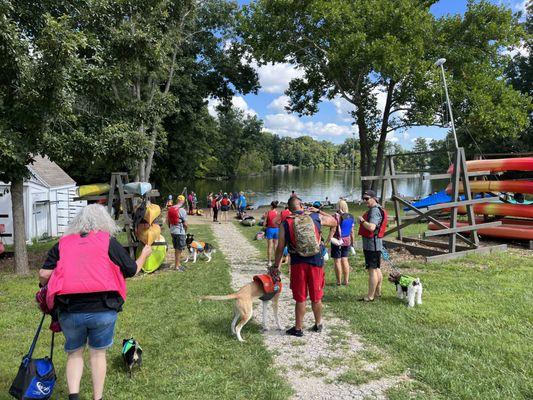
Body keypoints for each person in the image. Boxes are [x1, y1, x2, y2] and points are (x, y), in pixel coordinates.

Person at [38, 204, 152, 400]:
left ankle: (74, 396)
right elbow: (131, 270)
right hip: (103, 307)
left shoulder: (63, 243)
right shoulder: (108, 241)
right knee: (98, 355)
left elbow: (43, 275)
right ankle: (97, 398)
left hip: (70, 309)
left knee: (74, 353)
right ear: (104, 221)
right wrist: (143, 255)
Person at [274, 196, 337, 337]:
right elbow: (334, 221)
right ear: (301, 205)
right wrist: (319, 211)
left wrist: (275, 265)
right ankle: (318, 323)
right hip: (316, 261)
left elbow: (280, 247)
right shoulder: (315, 217)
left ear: (289, 209)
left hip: (298, 262)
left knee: (300, 297)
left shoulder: (286, 223)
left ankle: (298, 328)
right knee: (316, 295)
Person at [357, 190, 384, 302]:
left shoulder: (374, 211)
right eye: (364, 198)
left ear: (374, 198)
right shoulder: (377, 209)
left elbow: (372, 227)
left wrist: (362, 221)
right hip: (375, 244)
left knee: (372, 270)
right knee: (377, 268)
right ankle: (377, 292)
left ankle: (370, 296)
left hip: (372, 245)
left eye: (367, 198)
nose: (365, 201)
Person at [329, 199, 355, 286]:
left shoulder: (336, 216)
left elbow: (333, 229)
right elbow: (352, 231)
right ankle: (346, 280)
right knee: (345, 260)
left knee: (337, 261)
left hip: (337, 240)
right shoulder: (351, 216)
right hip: (347, 239)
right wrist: (352, 242)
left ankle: (338, 281)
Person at [168, 195, 188, 271]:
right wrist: (185, 231)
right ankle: (176, 267)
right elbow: (185, 224)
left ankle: (178, 264)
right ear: (182, 201)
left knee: (176, 248)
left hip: (173, 231)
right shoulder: (182, 210)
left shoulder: (171, 208)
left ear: (177, 200)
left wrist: (171, 229)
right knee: (179, 249)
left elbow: (167, 221)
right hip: (180, 232)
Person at [263, 201, 280, 266]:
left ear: (271, 206)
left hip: (270, 230)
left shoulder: (268, 213)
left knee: (270, 246)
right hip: (277, 230)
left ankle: (269, 262)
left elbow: (264, 224)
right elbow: (279, 222)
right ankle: (276, 261)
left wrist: (265, 224)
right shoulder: (278, 213)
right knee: (276, 246)